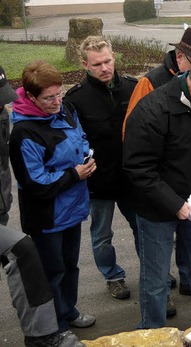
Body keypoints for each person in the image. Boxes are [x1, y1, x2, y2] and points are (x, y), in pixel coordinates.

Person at [122, 57, 191, 329]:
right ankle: (153, 333)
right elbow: (138, 168)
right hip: (156, 209)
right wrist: (174, 204)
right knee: (156, 279)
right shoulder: (152, 110)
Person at [9, 61, 96, 334]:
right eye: (49, 98)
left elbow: (80, 136)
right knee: (52, 274)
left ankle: (68, 312)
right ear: (31, 97)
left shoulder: (65, 108)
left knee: (70, 267)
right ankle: (54, 328)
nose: (57, 101)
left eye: (59, 93)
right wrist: (74, 174)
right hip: (47, 218)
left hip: (73, 209)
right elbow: (36, 183)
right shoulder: (24, 134)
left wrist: (86, 155)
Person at [63, 36, 138, 301]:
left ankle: (156, 271)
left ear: (114, 57)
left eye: (107, 61)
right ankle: (113, 276)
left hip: (132, 177)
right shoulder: (76, 99)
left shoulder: (134, 88)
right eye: (97, 64)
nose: (104, 68)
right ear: (85, 65)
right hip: (98, 183)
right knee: (102, 235)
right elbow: (71, 139)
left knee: (142, 228)